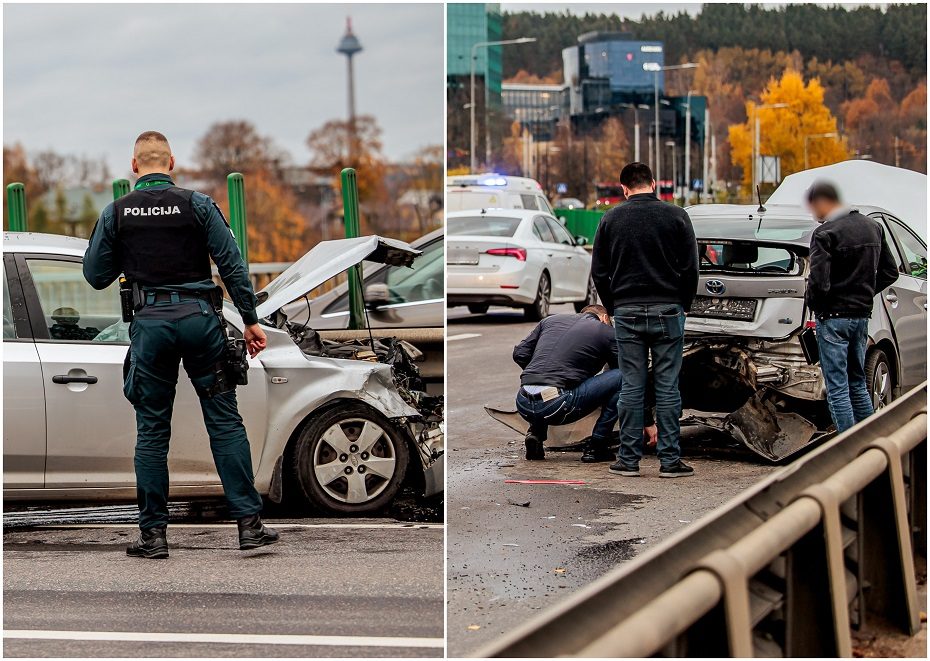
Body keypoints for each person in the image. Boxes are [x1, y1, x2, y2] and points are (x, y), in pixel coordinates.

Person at [84, 131, 279, 558]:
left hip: (151, 325)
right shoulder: (199, 204)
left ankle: (153, 537)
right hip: (199, 321)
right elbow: (232, 266)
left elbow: (95, 275)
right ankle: (249, 525)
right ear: (171, 162)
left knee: (152, 430)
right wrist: (250, 321)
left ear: (134, 166)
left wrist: (128, 249)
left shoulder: (116, 212)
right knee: (224, 422)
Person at [591, 162, 699, 478]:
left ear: (624, 188)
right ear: (653, 183)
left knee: (631, 384)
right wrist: (684, 304)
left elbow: (599, 271)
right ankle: (669, 461)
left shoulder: (610, 219)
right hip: (669, 310)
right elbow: (690, 267)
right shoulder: (677, 216)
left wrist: (612, 306)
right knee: (667, 386)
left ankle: (628, 459)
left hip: (626, 311)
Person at [805, 181, 900, 432]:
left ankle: (846, 451)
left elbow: (818, 284)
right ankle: (872, 441)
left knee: (837, 388)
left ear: (824, 201)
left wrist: (814, 307)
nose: (813, 212)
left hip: (833, 318)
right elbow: (890, 272)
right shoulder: (873, 227)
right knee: (858, 383)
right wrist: (864, 292)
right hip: (861, 317)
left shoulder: (825, 234)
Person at [512, 304, 657, 462]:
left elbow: (520, 353)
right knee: (623, 377)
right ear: (605, 318)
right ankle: (597, 446)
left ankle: (535, 433)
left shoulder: (550, 321)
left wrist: (542, 373)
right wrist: (647, 420)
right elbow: (631, 375)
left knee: (547, 385)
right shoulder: (605, 330)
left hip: (523, 402)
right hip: (559, 405)